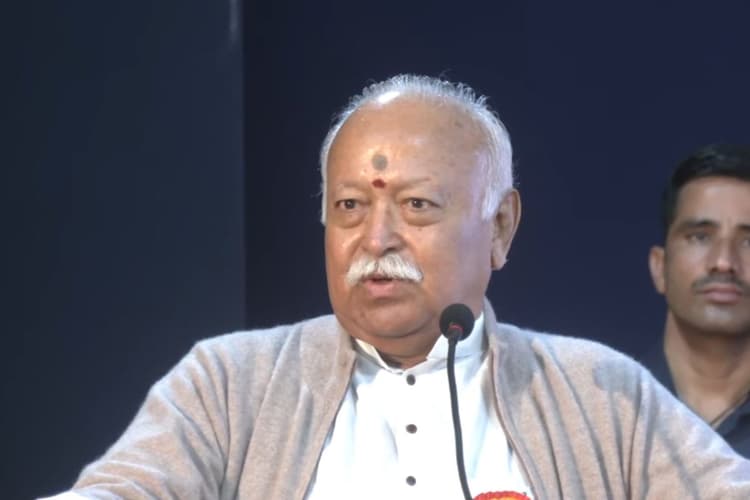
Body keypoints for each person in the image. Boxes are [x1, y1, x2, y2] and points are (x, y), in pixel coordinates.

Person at [44, 76, 750, 500]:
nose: (375, 239)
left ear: (500, 227)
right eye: (350, 206)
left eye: (416, 206)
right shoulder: (230, 385)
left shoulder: (599, 393)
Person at [641, 144, 750, 458]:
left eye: (748, 241)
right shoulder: (598, 415)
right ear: (659, 267)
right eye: (700, 237)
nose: (724, 262)